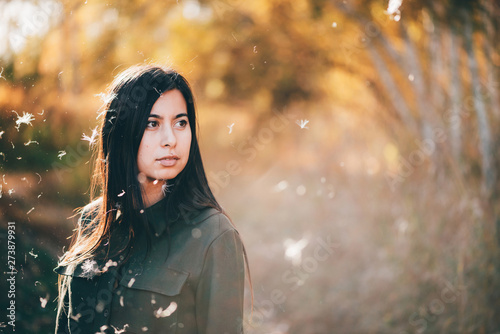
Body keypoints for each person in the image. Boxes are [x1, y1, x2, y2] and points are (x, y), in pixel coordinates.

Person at [54, 64, 251, 334]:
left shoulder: (214, 237)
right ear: (122, 132)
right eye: (152, 123)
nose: (170, 139)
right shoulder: (93, 220)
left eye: (181, 123)